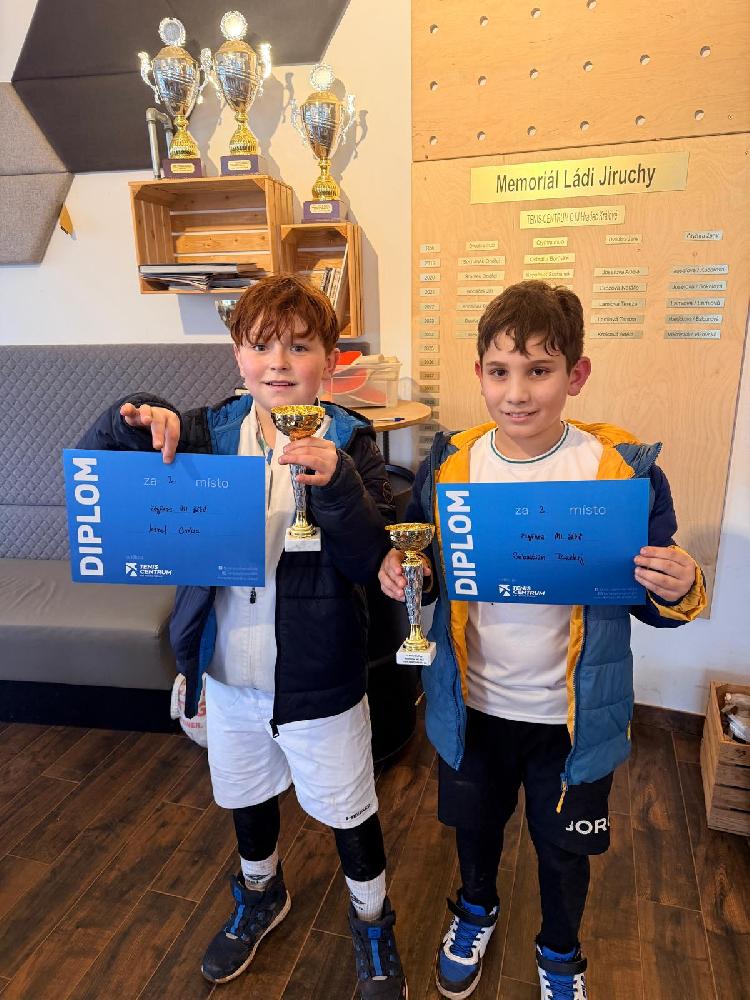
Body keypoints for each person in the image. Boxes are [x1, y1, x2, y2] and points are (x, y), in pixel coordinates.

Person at [79, 274, 407, 999]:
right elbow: (105, 472)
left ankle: (372, 919)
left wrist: (338, 483)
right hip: (227, 668)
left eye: (301, 347)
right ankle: (262, 892)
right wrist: (134, 419)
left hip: (319, 675)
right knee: (245, 792)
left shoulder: (353, 440)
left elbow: (370, 558)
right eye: (262, 346)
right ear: (237, 355)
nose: (279, 362)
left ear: (330, 360)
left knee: (349, 807)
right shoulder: (203, 433)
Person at [378, 280, 706, 1000]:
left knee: (564, 852)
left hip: (572, 717)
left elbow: (652, 602)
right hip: (474, 707)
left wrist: (679, 584)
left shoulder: (621, 470)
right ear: (480, 374)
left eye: (539, 370)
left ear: (576, 375)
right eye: (500, 371)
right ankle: (475, 908)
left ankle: (561, 952)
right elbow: (429, 563)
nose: (517, 392)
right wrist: (406, 574)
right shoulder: (453, 461)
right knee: (475, 829)